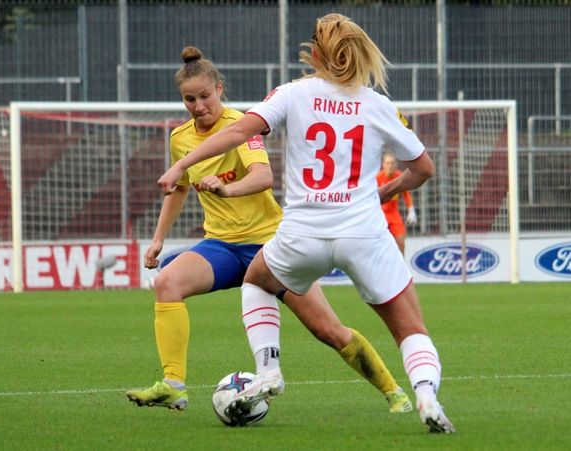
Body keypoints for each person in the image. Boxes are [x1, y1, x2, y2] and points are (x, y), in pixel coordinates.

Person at [158, 15, 455, 434]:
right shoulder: (379, 105)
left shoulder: (293, 94)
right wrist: (382, 194)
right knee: (410, 329)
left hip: (302, 235)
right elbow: (423, 169)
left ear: (315, 53)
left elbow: (241, 130)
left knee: (258, 281)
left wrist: (183, 165)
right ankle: (426, 395)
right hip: (364, 234)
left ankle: (268, 371)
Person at [126, 46, 412, 415]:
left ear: (220, 89)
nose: (198, 106)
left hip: (271, 246)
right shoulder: (180, 139)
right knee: (167, 283)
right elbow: (178, 187)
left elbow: (263, 177)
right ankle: (174, 385)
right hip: (222, 247)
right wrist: (158, 239)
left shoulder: (241, 126)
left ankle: (394, 393)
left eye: (204, 96)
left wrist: (226, 188)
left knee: (328, 330)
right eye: (189, 99)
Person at [376, 152, 417, 254]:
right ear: (383, 165)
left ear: (396, 165)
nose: (389, 166)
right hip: (380, 215)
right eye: (387, 163)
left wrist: (411, 211)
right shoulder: (377, 178)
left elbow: (406, 195)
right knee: (377, 245)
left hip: (394, 214)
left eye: (392, 163)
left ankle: (401, 267)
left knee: (401, 243)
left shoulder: (399, 177)